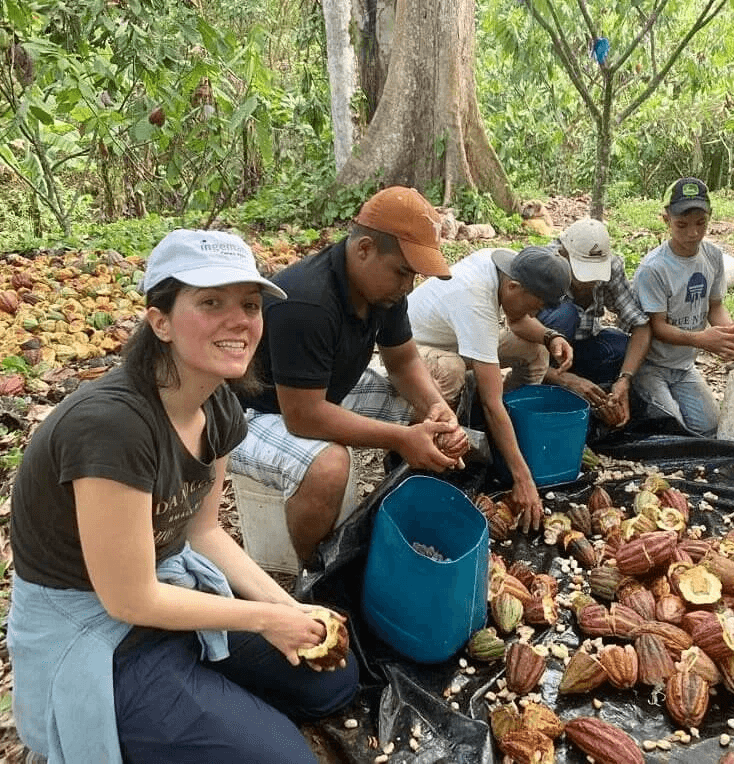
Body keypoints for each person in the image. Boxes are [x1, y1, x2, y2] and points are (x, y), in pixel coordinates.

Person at [8, 230, 359, 764]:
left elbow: (204, 532)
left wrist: (289, 610)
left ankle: (196, 699)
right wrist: (264, 621)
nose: (239, 320)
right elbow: (130, 600)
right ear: (161, 321)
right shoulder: (113, 426)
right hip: (101, 629)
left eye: (249, 304)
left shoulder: (217, 403)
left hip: (165, 588)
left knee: (333, 681)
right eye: (211, 302)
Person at [230, 187, 467, 565]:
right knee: (328, 466)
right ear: (364, 249)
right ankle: (317, 573)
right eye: (403, 272)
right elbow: (304, 416)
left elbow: (403, 362)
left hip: (318, 392)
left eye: (414, 276)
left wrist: (436, 409)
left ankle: (401, 499)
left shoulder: (384, 291)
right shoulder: (308, 301)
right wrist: (403, 438)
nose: (408, 286)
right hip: (252, 412)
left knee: (426, 407)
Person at [406, 245, 573, 532]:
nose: (536, 314)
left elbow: (519, 320)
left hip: (457, 338)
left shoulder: (508, 265)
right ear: (513, 286)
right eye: (536, 307)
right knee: (451, 371)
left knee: (536, 353)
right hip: (412, 349)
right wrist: (523, 478)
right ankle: (421, 447)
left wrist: (550, 336)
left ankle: (506, 434)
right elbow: (490, 402)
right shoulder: (476, 300)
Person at [631, 177, 734, 436]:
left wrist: (729, 335)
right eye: (682, 225)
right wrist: (703, 340)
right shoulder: (653, 269)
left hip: (684, 367)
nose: (693, 233)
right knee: (671, 429)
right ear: (666, 220)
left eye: (701, 223)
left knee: (709, 427)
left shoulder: (712, 256)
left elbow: (715, 305)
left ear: (710, 217)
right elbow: (657, 328)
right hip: (650, 366)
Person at [538, 217, 652, 428]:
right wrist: (563, 379)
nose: (589, 282)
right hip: (540, 356)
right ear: (563, 254)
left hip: (582, 346)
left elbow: (641, 326)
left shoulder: (613, 267)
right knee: (565, 315)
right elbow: (516, 344)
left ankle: (597, 397)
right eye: (581, 272)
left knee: (622, 348)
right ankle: (552, 387)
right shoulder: (543, 267)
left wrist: (624, 380)